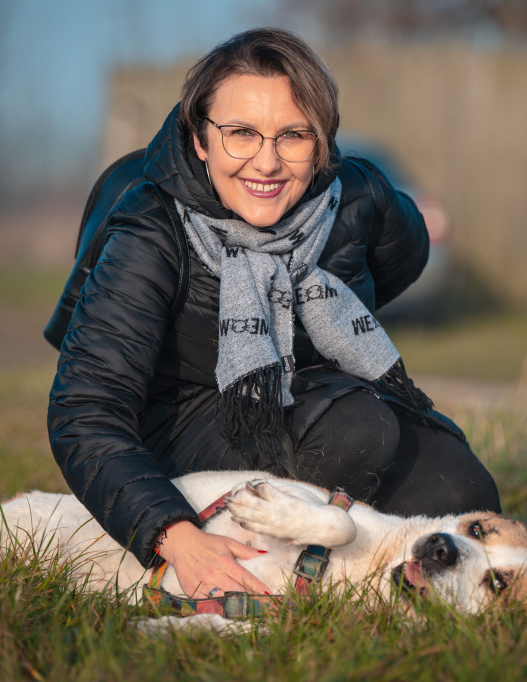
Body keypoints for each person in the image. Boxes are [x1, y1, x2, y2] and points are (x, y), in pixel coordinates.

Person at [48, 28, 500, 600]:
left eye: (293, 136)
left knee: (465, 492)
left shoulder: (358, 199)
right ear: (200, 140)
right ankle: (300, 577)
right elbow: (85, 411)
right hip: (178, 424)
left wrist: (323, 325)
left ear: (323, 143)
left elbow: (401, 262)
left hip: (313, 391)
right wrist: (175, 535)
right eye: (240, 133)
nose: (266, 162)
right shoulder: (150, 228)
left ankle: (364, 563)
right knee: (358, 431)